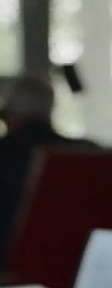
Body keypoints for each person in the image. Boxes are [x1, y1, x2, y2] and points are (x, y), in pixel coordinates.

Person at [0, 76, 82, 259]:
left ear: (7, 113)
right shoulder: (86, 152)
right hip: (75, 258)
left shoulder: (5, 154)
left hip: (9, 261)